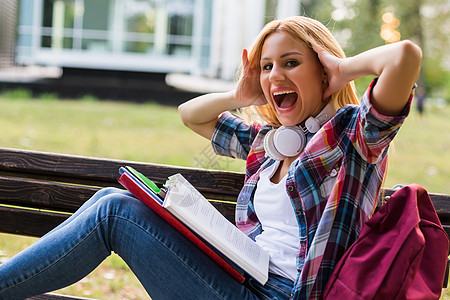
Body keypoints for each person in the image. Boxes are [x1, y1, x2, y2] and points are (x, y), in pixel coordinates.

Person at [0, 16, 421, 300]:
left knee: (114, 212)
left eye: (291, 63)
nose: (275, 76)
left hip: (283, 295)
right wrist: (241, 95)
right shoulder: (274, 143)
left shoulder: (354, 138)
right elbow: (192, 114)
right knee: (114, 201)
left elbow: (405, 57)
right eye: (267, 66)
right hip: (242, 280)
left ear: (323, 71)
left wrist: (344, 67)